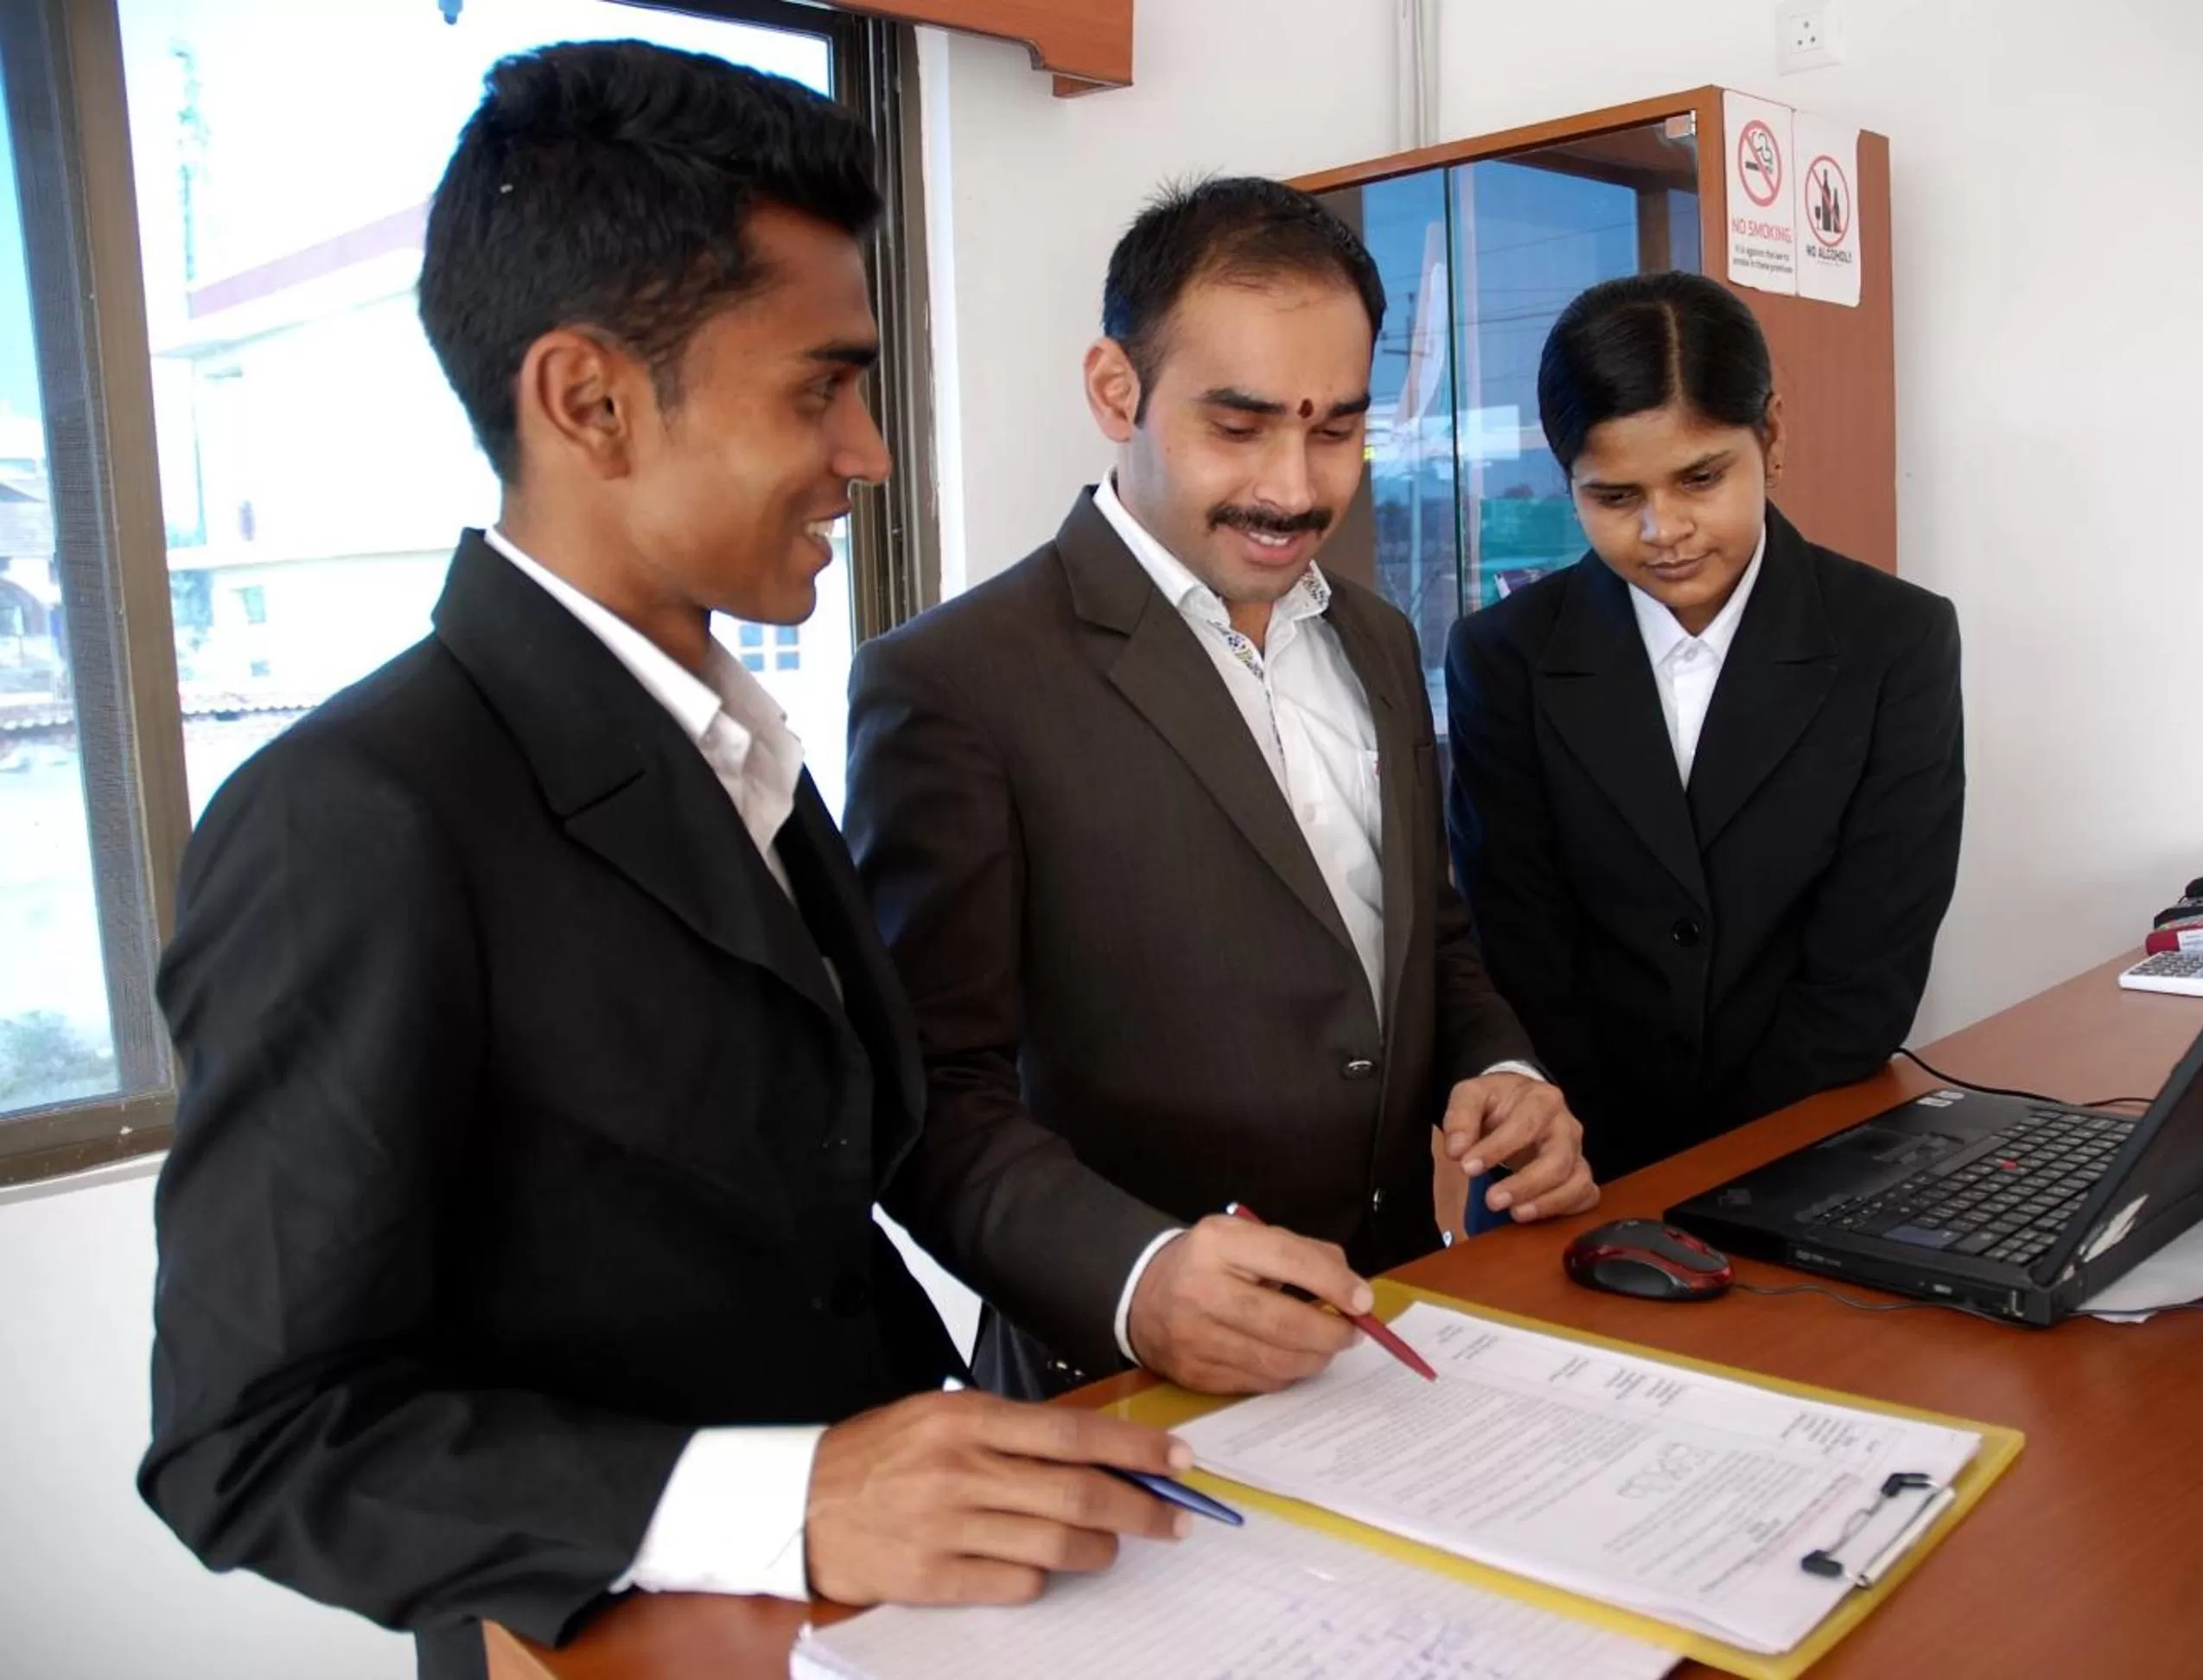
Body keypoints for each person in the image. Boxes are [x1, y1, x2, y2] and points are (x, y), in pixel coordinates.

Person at [138, 44, 1196, 1680]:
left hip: (909, 1600)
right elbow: (257, 1434)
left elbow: (862, 1144)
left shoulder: (738, 746)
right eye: (817, 386)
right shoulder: (352, 813)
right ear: (589, 399)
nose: (871, 452)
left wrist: (1140, 1277)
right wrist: (797, 1495)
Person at [846, 177, 1601, 1402]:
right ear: (1115, 390)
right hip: (1127, 1376)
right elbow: (928, 1103)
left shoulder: (1376, 637)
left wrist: (1509, 1080)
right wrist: (1137, 1279)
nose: (1296, 489)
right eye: (1238, 427)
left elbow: (1426, 942)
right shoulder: (954, 682)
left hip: (1399, 1328)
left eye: (1340, 429)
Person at [1445, 271, 1964, 1183]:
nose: (1665, 529)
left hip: (1807, 1149)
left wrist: (1724, 1175)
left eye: (1700, 478)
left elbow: (1865, 970)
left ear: (1769, 434)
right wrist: (1605, 1175)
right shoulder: (1503, 658)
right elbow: (1524, 953)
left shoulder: (1895, 640)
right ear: (1569, 480)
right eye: (1614, 497)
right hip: (1575, 1163)